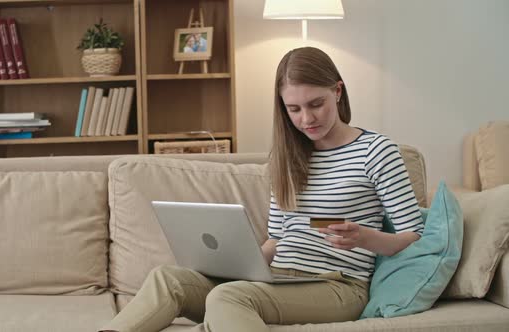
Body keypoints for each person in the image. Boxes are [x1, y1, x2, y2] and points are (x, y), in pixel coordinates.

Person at [100, 47, 424, 332]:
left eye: (316, 104)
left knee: (228, 297)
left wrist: (365, 237)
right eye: (294, 109)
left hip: (338, 286)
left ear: (338, 91)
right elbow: (278, 238)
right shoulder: (286, 157)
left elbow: (413, 237)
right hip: (279, 278)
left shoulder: (376, 151)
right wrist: (240, 265)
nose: (306, 118)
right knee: (168, 279)